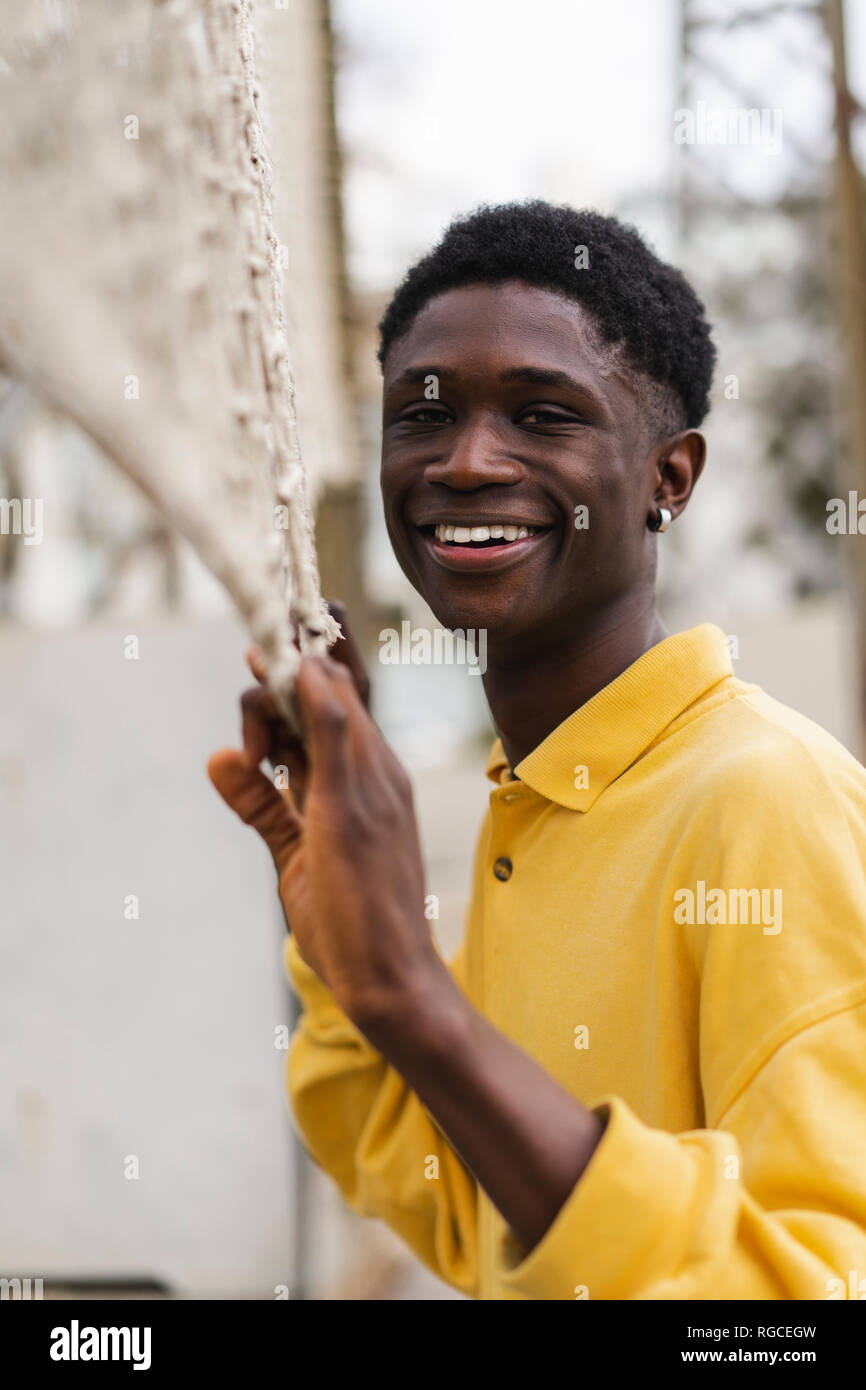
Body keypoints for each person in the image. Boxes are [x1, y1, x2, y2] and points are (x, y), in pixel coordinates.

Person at [208, 201, 866, 1301]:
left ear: (670, 476)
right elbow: (459, 1209)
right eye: (420, 416)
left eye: (543, 415)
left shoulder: (767, 798)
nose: (464, 463)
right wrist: (350, 971)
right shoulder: (544, 798)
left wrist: (416, 994)